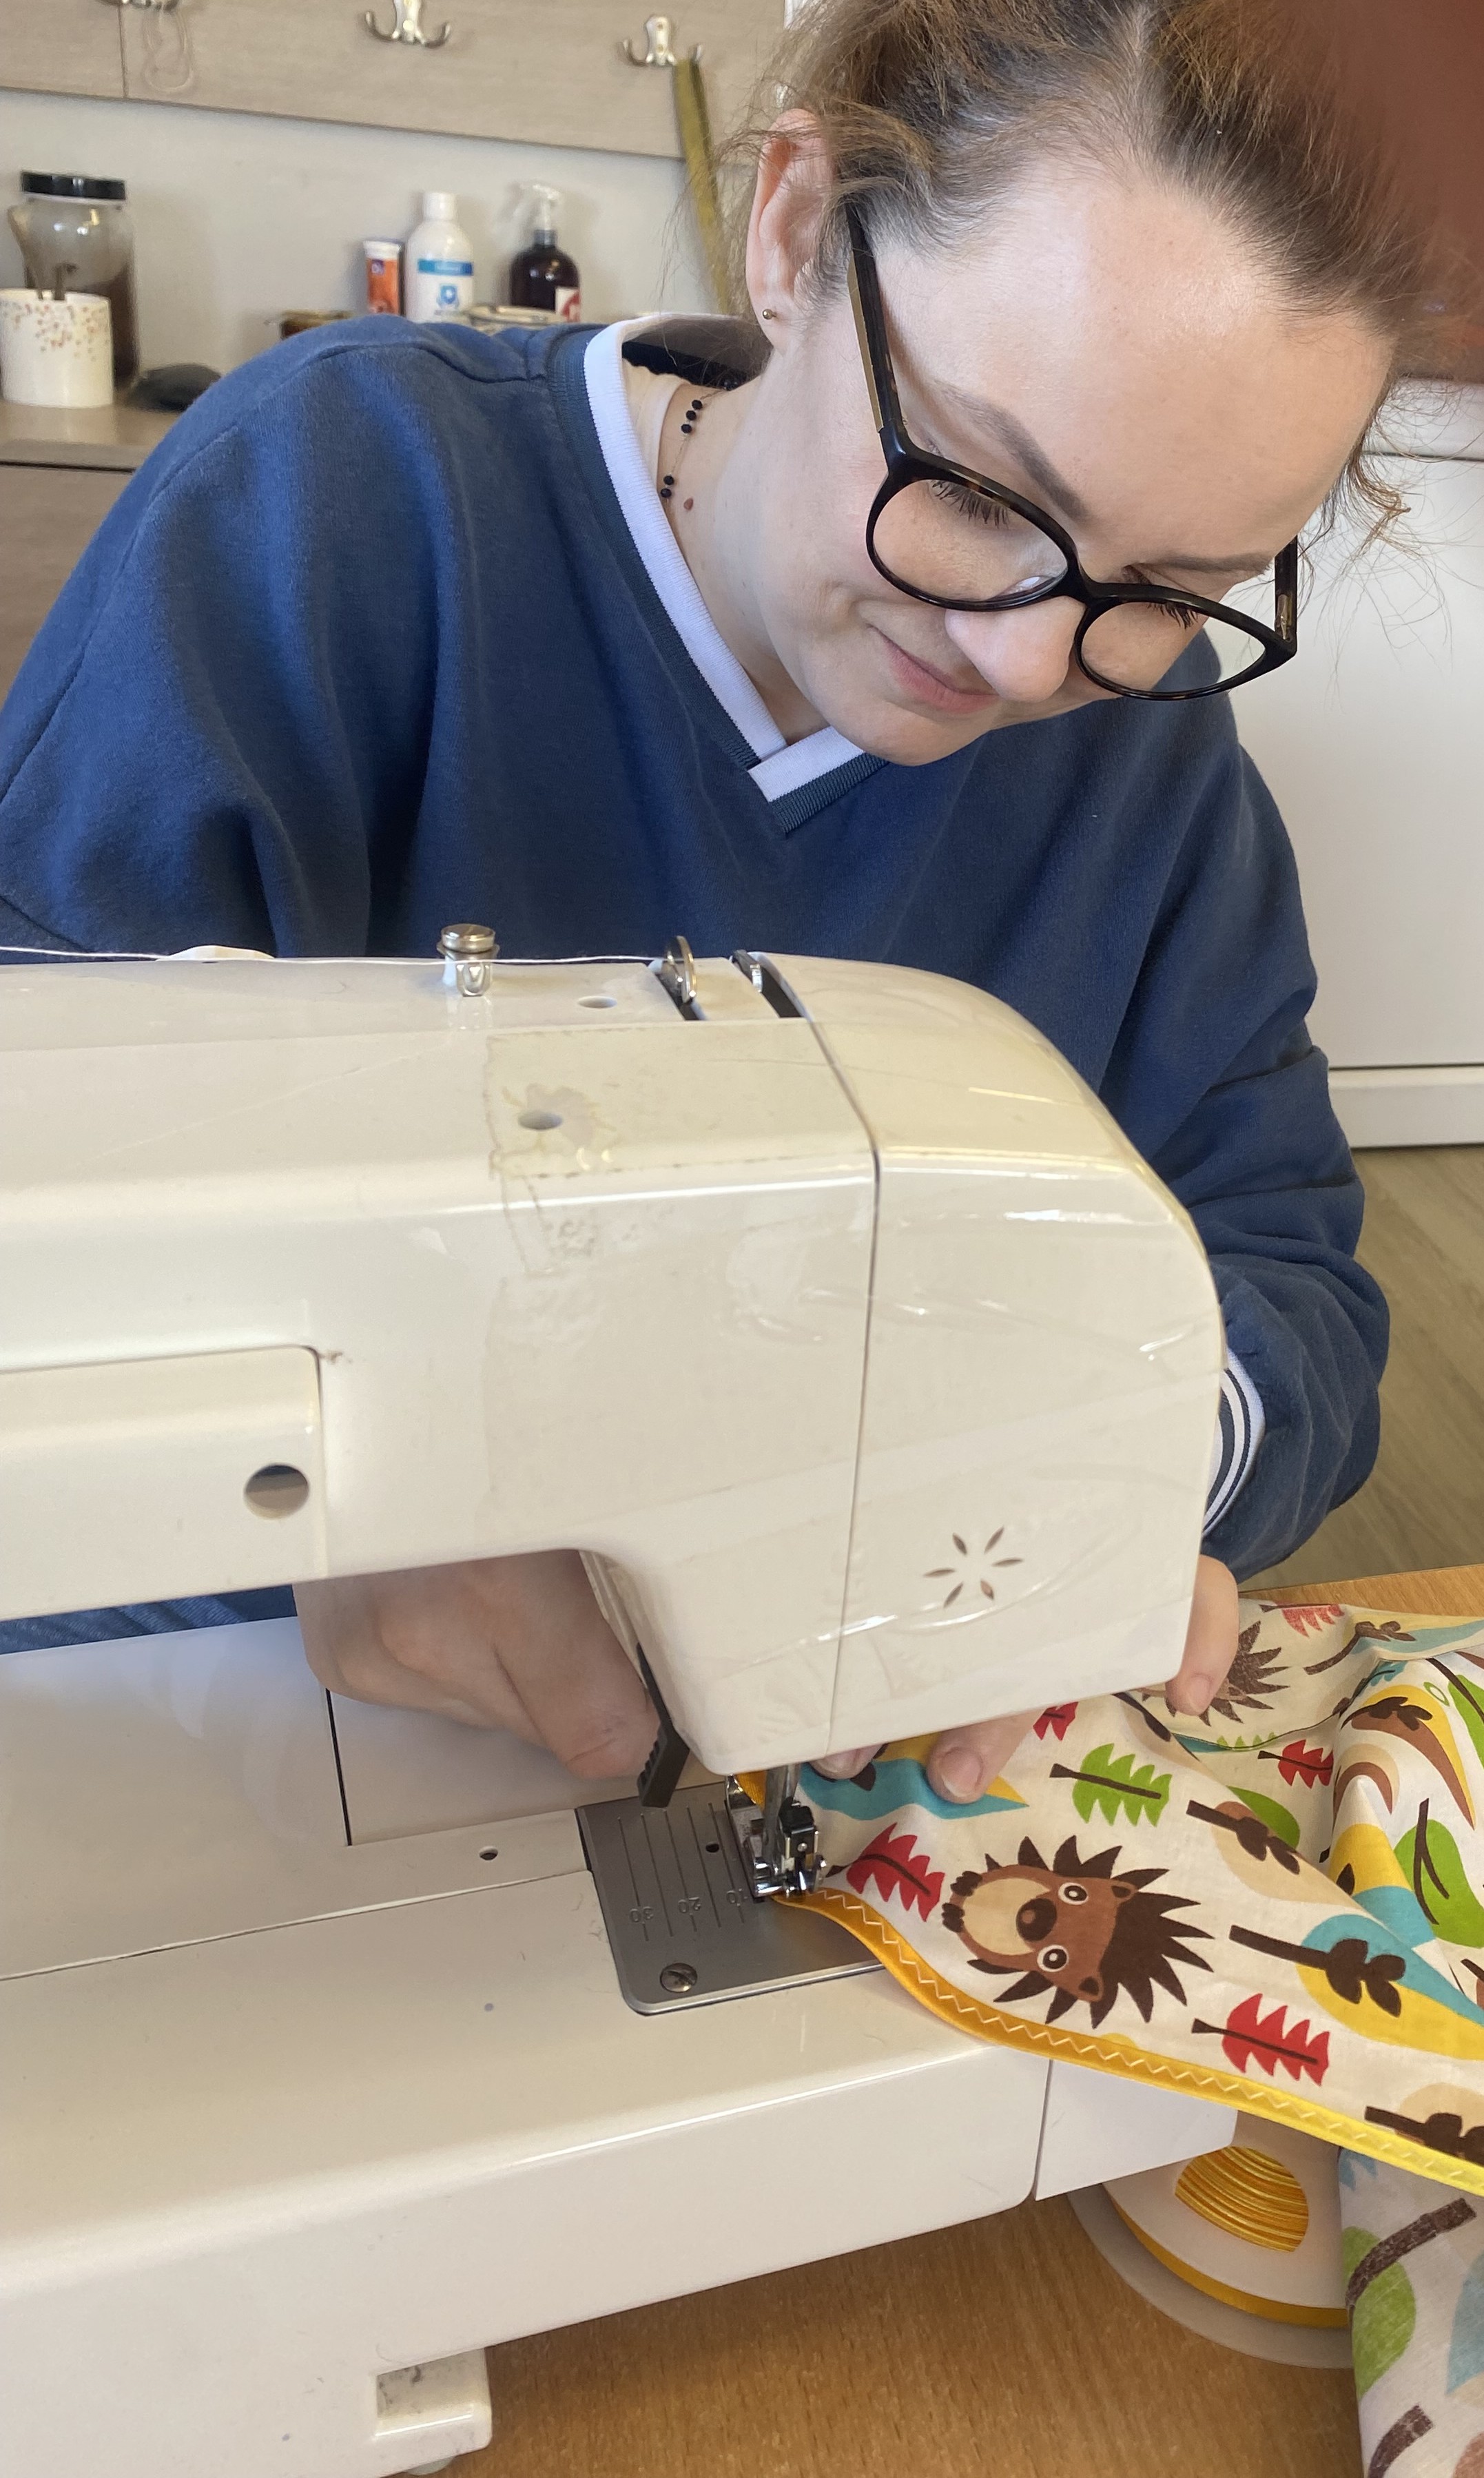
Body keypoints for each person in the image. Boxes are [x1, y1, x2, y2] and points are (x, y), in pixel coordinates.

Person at [0, 0, 1434, 1804]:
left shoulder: (1146, 753)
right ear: (793, 228)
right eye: (977, 491)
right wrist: (342, 1495)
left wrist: (1131, 1469)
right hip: (202, 1711)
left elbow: (1290, 1286)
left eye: (1171, 583)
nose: (1024, 662)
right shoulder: (339, 507)